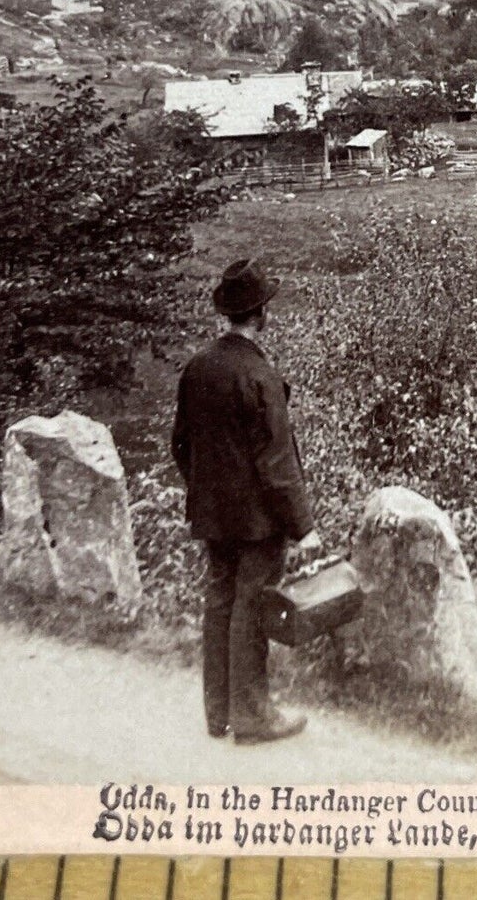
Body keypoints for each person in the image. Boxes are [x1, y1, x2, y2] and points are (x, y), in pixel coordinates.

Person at [172, 257, 322, 744]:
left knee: (219, 602)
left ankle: (219, 714)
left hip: (213, 515)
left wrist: (206, 488)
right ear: (261, 314)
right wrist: (305, 528)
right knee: (251, 608)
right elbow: (278, 466)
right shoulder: (261, 377)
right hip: (258, 521)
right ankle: (254, 716)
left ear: (228, 313)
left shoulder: (198, 368)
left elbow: (180, 443)